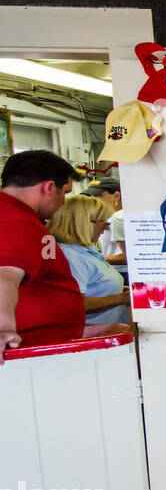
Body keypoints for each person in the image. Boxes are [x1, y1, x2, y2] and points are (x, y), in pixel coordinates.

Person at [0, 149, 84, 361]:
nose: (64, 201)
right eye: (65, 191)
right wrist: (3, 330)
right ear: (49, 187)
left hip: (39, 346)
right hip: (27, 354)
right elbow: (4, 276)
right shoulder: (17, 221)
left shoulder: (14, 214)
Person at [48, 194, 131, 326]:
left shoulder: (86, 250)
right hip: (95, 335)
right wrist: (121, 298)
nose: (107, 227)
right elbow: (75, 303)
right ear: (84, 222)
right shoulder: (70, 255)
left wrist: (123, 290)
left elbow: (94, 285)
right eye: (103, 222)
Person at [83, 179, 127, 268]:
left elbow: (128, 257)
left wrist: (95, 260)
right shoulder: (108, 217)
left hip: (121, 271)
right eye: (91, 196)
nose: (93, 200)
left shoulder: (118, 218)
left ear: (116, 196)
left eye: (97, 195)